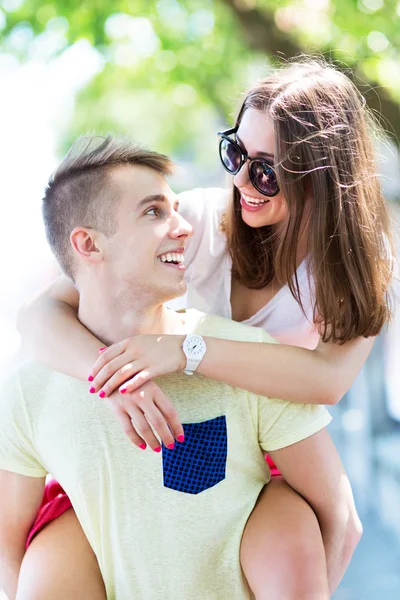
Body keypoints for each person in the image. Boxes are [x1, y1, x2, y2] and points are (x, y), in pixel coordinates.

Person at [17, 56, 392, 594]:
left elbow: (327, 380)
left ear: (323, 178)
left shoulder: (359, 263)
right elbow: (38, 315)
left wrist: (184, 351)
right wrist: (112, 383)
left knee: (323, 531)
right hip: (153, 431)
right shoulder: (195, 223)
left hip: (257, 445)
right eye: (235, 151)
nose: (241, 180)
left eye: (266, 169)